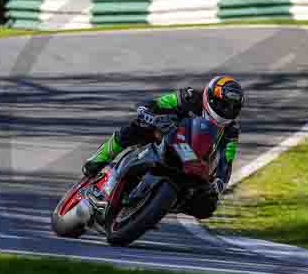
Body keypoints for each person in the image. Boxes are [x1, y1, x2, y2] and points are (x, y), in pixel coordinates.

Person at [82, 76, 244, 218]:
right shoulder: (190, 97)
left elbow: (226, 161)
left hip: (193, 163)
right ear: (210, 97)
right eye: (223, 105)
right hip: (166, 136)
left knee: (208, 206)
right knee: (136, 126)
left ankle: (159, 206)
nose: (226, 110)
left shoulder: (231, 131)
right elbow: (158, 103)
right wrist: (148, 112)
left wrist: (218, 185)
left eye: (231, 107)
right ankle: (101, 157)